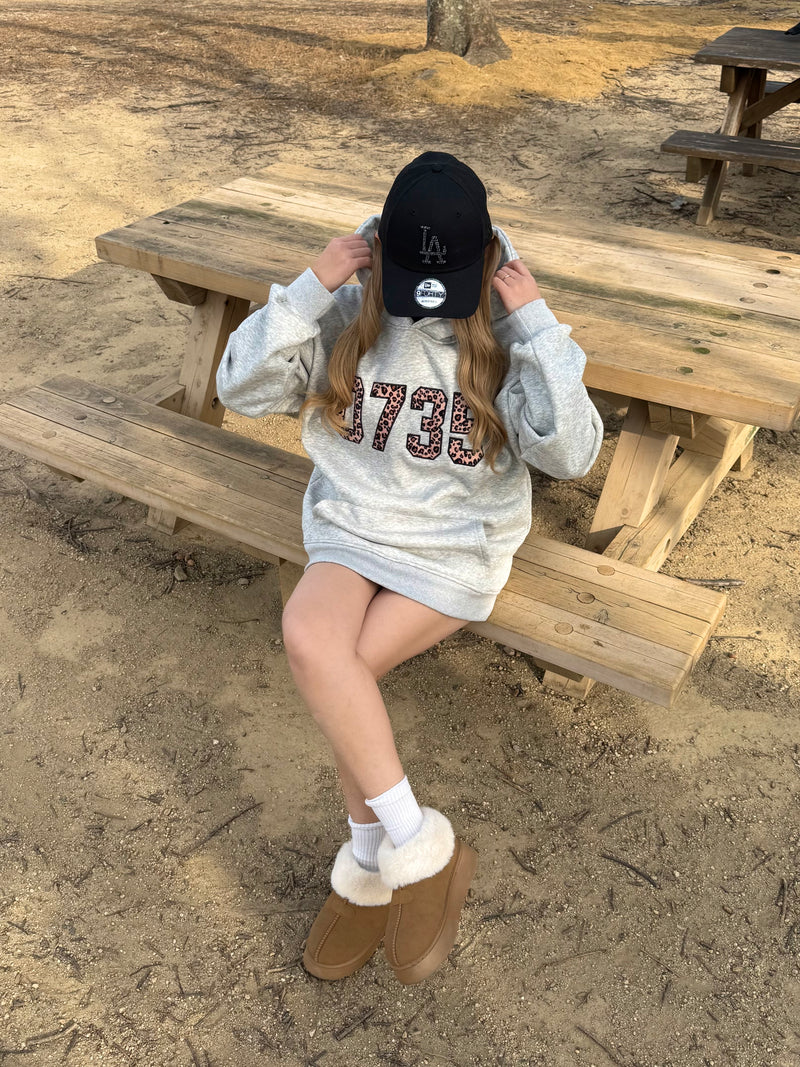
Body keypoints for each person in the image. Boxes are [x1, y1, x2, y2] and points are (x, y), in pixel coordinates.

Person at [216, 152, 603, 985]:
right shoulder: (349, 310)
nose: (424, 307)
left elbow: (572, 453)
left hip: (455, 544)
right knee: (312, 638)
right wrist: (308, 289)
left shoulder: (505, 331)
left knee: (340, 674)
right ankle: (416, 845)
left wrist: (540, 328)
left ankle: (366, 863)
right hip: (354, 524)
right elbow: (239, 388)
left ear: (485, 265)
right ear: (380, 253)